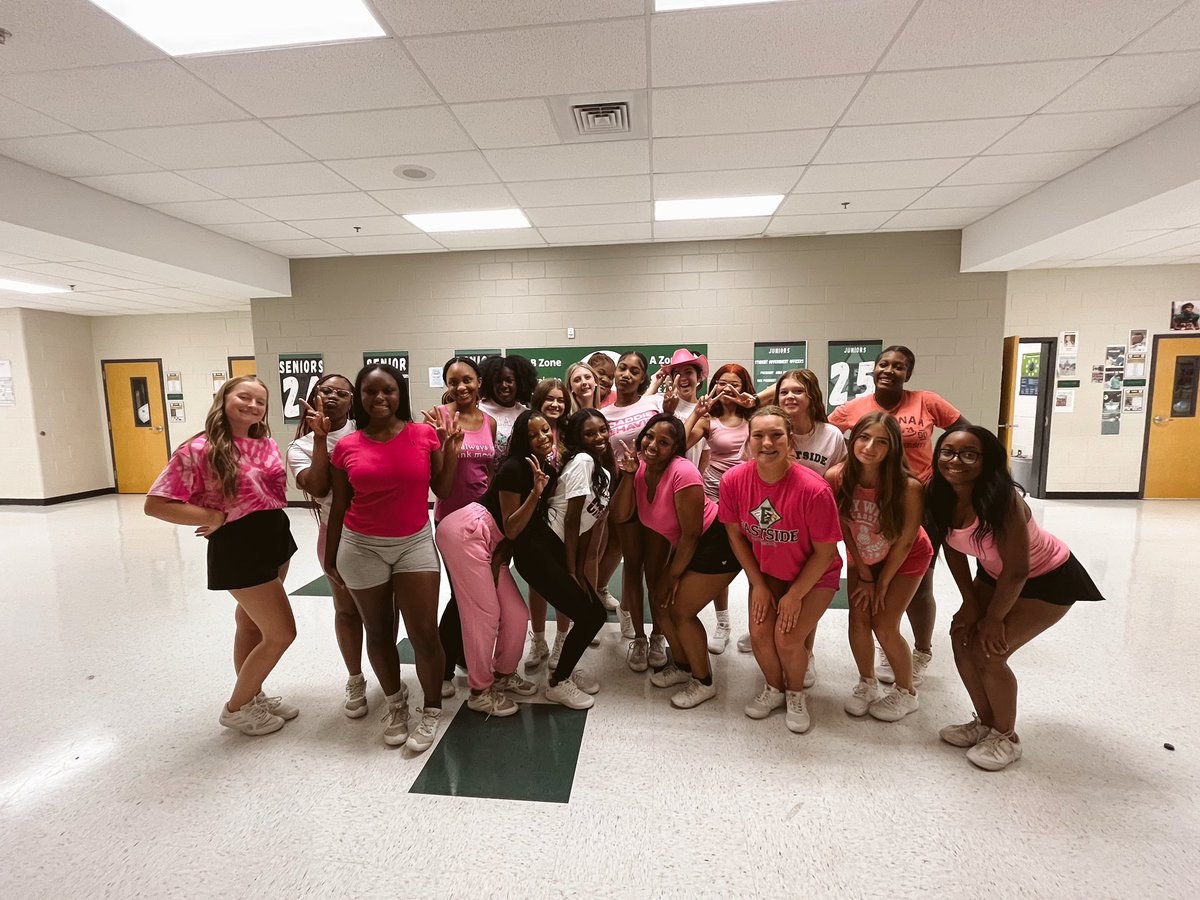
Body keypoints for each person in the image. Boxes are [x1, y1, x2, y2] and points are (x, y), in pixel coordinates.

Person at [927, 426, 1103, 771]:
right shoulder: (940, 493)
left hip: (1048, 579)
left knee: (991, 651)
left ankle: (1006, 737)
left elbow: (1018, 570)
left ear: (986, 460)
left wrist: (992, 619)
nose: (955, 461)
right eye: (947, 452)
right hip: (993, 575)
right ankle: (986, 724)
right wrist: (970, 603)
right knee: (962, 637)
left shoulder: (1002, 500)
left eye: (969, 454)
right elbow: (953, 550)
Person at [144, 376, 299, 736]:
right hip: (239, 545)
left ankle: (253, 693)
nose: (252, 405)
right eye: (244, 397)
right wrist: (212, 516)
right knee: (281, 633)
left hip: (274, 535)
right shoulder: (200, 448)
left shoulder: (266, 443)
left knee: (250, 624)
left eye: (260, 401)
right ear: (224, 398)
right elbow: (156, 504)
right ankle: (236, 707)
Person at [325, 364, 462, 753]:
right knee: (379, 630)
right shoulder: (346, 446)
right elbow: (339, 507)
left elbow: (443, 488)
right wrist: (331, 557)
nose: (380, 399)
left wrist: (450, 449)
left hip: (414, 543)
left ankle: (431, 709)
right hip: (360, 545)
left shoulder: (424, 436)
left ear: (400, 393)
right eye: (370, 392)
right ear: (360, 398)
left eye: (388, 391)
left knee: (424, 633)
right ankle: (396, 704)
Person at [829, 346, 967, 686]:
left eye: (899, 366)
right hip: (866, 505)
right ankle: (884, 645)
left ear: (909, 373)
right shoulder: (855, 409)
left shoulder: (926, 400)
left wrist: (946, 466)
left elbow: (964, 433)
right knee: (866, 587)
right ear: (873, 370)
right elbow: (822, 430)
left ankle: (920, 651)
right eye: (884, 364)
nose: (890, 370)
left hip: (915, 498)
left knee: (920, 585)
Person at [719, 406, 842, 734]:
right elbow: (734, 533)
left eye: (776, 435)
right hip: (769, 572)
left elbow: (826, 552)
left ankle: (795, 693)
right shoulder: (734, 481)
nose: (767, 442)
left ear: (791, 443)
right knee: (760, 635)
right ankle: (774, 688)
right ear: (748, 442)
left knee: (786, 639)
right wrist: (756, 583)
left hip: (815, 576)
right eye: (758, 435)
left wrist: (795, 596)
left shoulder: (814, 489)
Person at [610, 414, 742, 709]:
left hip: (717, 545)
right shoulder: (642, 468)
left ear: (676, 448)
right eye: (649, 436)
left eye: (664, 441)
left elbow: (692, 534)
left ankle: (704, 680)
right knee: (660, 603)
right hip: (691, 544)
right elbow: (620, 516)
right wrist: (629, 475)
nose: (653, 444)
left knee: (680, 609)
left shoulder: (684, 473)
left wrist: (670, 576)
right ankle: (682, 667)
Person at [435, 410, 550, 717]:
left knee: (516, 613)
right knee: (484, 614)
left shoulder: (543, 466)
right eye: (534, 433)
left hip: (491, 542)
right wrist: (536, 495)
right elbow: (512, 526)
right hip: (467, 532)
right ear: (522, 441)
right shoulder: (515, 467)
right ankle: (479, 690)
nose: (543, 437)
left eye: (546, 430)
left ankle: (504, 673)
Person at [734, 369, 846, 666]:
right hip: (771, 525)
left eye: (798, 391)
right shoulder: (768, 431)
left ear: (812, 397)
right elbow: (753, 472)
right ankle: (765, 627)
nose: (790, 396)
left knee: (804, 595)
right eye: (784, 392)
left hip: (811, 524)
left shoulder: (830, 435)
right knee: (767, 584)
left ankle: (804, 652)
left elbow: (839, 478)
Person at [827, 412, 933, 722]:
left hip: (905, 559)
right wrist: (864, 572)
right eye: (864, 437)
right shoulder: (837, 476)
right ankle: (866, 682)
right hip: (863, 555)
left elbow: (904, 541)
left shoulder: (908, 486)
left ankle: (906, 692)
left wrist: (882, 582)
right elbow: (844, 527)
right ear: (853, 439)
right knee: (858, 620)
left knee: (885, 624)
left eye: (881, 441)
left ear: (893, 448)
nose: (870, 446)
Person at [513, 409, 613, 708]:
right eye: (590, 433)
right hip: (539, 548)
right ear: (578, 439)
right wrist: (571, 570)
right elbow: (571, 520)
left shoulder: (603, 471)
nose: (599, 438)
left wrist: (580, 571)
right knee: (591, 615)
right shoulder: (583, 462)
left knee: (593, 612)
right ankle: (558, 683)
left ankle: (563, 669)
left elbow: (586, 526)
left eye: (603, 430)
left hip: (556, 550)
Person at [285, 373, 368, 718]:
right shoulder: (299, 447)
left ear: (352, 402)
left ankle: (386, 674)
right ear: (315, 394)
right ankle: (355, 678)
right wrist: (320, 438)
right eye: (326, 390)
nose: (333, 397)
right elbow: (318, 489)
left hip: (377, 530)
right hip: (335, 535)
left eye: (342, 393)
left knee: (384, 610)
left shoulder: (367, 434)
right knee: (347, 610)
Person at [434, 356, 498, 696]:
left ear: (478, 383)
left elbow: (489, 473)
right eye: (454, 381)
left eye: (467, 380)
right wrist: (446, 445)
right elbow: (436, 481)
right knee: (461, 596)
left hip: (482, 519)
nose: (461, 387)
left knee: (472, 595)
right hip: (450, 519)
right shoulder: (439, 418)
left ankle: (460, 653)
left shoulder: (489, 421)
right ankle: (442, 668)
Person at [684, 363, 757, 654]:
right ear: (713, 385)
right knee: (718, 561)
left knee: (756, 564)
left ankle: (756, 627)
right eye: (722, 383)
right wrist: (696, 412)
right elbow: (678, 444)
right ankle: (723, 623)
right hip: (713, 494)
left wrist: (755, 402)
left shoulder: (755, 415)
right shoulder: (709, 420)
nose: (728, 388)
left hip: (750, 496)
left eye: (735, 384)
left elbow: (779, 389)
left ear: (744, 387)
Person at [599, 352, 666, 669]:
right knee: (631, 564)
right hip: (623, 493)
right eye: (622, 368)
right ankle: (637, 633)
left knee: (657, 571)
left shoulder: (654, 404)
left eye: (634, 370)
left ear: (643, 378)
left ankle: (658, 638)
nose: (626, 374)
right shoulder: (603, 413)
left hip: (657, 493)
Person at [525, 377, 569, 671]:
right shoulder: (529, 431)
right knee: (537, 580)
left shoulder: (570, 432)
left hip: (565, 516)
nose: (555, 404)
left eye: (560, 400)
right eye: (549, 399)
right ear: (538, 401)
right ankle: (538, 639)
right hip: (534, 515)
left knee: (563, 580)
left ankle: (562, 640)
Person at [478, 354, 539, 460]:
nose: (504, 385)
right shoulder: (479, 410)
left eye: (509, 380)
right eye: (498, 381)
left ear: (519, 382)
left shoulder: (526, 414)